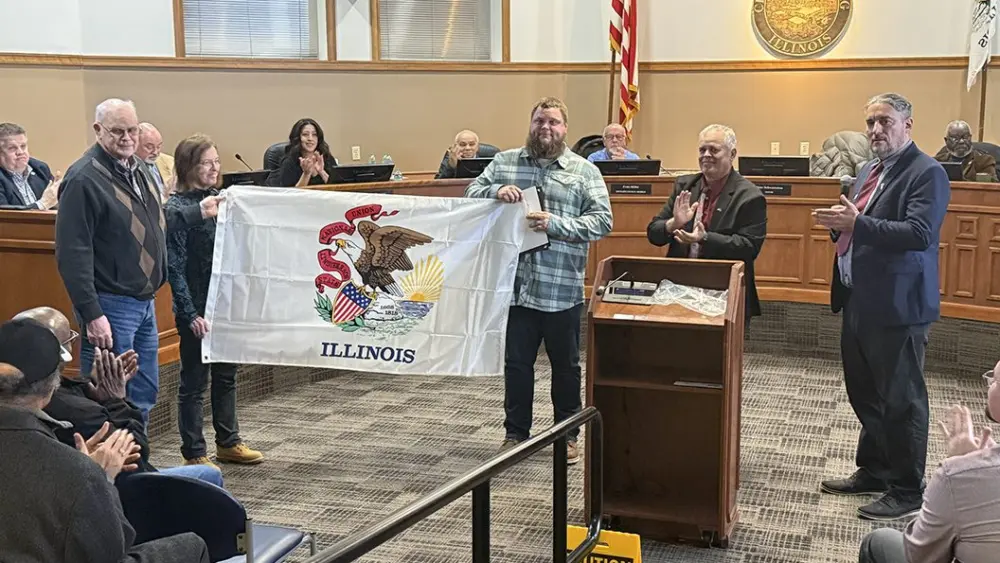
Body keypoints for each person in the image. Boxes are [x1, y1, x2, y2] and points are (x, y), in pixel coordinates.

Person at [814, 93, 951, 520]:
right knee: (865, 391)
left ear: (908, 125)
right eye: (871, 122)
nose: (875, 130)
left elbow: (918, 233)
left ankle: (908, 488)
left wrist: (858, 224)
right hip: (859, 297)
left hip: (899, 306)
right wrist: (841, 229)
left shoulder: (927, 172)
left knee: (902, 399)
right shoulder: (868, 171)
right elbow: (860, 227)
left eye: (885, 122)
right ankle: (874, 468)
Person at [55, 98, 224, 426]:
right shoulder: (83, 179)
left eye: (132, 130)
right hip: (110, 305)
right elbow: (71, 254)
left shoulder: (140, 170)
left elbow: (155, 222)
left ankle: (138, 465)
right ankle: (110, 472)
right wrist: (92, 315)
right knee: (108, 397)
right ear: (98, 130)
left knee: (143, 393)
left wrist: (198, 212)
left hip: (144, 303)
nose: (127, 138)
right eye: (117, 131)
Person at [465, 96, 613, 464]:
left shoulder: (584, 171)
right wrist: (495, 191)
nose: (545, 128)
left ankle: (568, 436)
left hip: (561, 289)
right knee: (517, 366)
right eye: (539, 121)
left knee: (566, 369)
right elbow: (470, 194)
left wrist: (556, 224)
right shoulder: (505, 162)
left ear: (565, 128)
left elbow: (602, 222)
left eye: (553, 122)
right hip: (516, 289)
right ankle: (516, 435)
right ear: (530, 125)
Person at [0, 319, 210, 563]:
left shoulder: (72, 466)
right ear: (51, 388)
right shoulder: (78, 473)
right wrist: (102, 478)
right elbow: (111, 553)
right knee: (193, 545)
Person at [16, 306, 224, 483]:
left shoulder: (20, 396)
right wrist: (116, 400)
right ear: (64, 352)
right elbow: (139, 454)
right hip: (123, 493)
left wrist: (91, 386)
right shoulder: (83, 413)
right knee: (209, 475)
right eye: (70, 337)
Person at [166, 134, 263, 466]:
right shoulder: (179, 209)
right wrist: (189, 311)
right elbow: (174, 266)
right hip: (195, 305)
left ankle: (228, 441)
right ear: (188, 166)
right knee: (194, 381)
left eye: (216, 162)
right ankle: (194, 452)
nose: (213, 168)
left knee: (226, 375)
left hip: (224, 303)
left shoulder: (221, 200)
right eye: (205, 163)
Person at [857, 359, 1000, 563]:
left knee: (879, 542)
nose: (989, 384)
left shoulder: (960, 477)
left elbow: (920, 556)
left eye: (994, 380)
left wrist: (962, 465)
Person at [646, 124, 767, 325]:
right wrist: (673, 223)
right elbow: (653, 233)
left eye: (714, 150)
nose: (706, 155)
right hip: (679, 290)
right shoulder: (685, 186)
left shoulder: (750, 196)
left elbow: (748, 247)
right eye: (702, 150)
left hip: (724, 290)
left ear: (732, 154)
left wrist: (704, 238)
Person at [0, 122, 61, 210]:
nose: (20, 152)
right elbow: (5, 216)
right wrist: (42, 204)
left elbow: (54, 204)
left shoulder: (40, 169)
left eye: (23, 146)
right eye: (12, 148)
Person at [276, 118, 338, 187]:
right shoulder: (289, 162)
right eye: (305, 134)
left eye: (314, 134)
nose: (310, 139)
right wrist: (306, 174)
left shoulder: (327, 158)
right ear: (298, 138)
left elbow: (338, 189)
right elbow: (291, 194)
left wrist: (321, 172)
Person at [933, 119, 997, 182]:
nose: (961, 141)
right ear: (946, 140)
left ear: (970, 138)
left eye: (965, 137)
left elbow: (989, 188)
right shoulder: (937, 162)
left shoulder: (984, 161)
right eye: (955, 138)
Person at [136, 122, 176, 201]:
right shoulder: (129, 167)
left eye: (159, 146)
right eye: (149, 147)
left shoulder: (170, 162)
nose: (155, 152)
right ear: (135, 144)